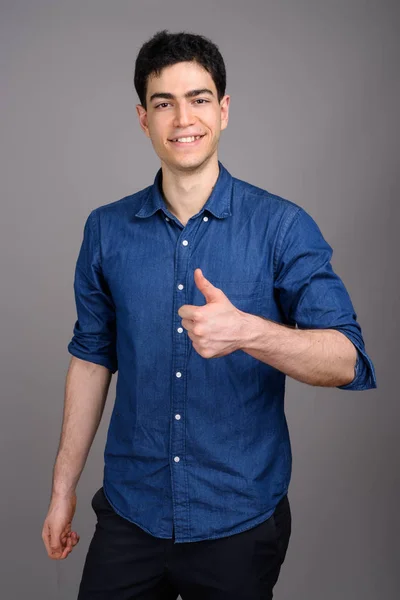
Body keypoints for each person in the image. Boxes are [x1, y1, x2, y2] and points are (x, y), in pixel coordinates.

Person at [41, 30, 377, 599]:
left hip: (239, 519)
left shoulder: (282, 226)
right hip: (131, 510)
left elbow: (348, 361)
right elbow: (92, 358)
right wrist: (62, 489)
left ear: (223, 110)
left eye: (198, 99)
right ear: (143, 119)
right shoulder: (105, 230)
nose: (182, 119)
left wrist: (249, 331)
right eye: (163, 103)